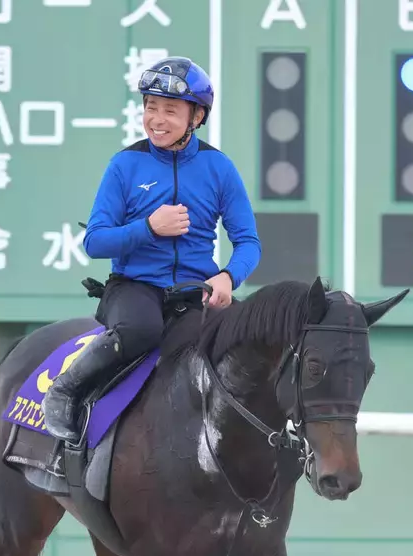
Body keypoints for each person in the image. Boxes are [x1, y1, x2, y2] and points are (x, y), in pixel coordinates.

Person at [42, 56, 261, 442]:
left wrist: (228, 276)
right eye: (150, 108)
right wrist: (149, 228)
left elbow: (248, 242)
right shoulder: (124, 165)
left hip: (195, 292)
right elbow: (95, 241)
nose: (156, 119)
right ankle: (65, 390)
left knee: (243, 342)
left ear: (196, 116)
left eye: (169, 111)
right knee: (143, 329)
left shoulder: (219, 168)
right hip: (134, 288)